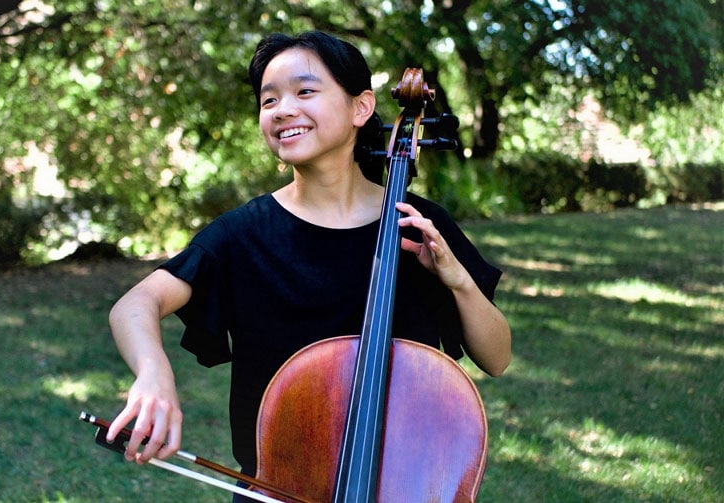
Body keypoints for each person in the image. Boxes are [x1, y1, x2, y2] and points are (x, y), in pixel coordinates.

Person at [106, 30, 511, 497]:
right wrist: (154, 373)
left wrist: (459, 281)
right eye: (268, 100)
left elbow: (496, 359)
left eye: (304, 92)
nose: (282, 110)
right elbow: (135, 305)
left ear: (361, 108)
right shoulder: (244, 235)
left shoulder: (417, 226)